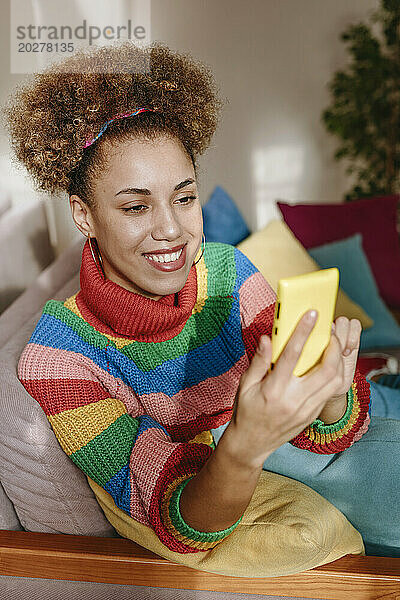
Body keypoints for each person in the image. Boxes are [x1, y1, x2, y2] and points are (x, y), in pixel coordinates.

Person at [5, 41, 400, 576]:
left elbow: (333, 426)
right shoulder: (59, 359)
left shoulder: (228, 272)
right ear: (85, 215)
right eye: (135, 206)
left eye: (185, 197)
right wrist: (245, 444)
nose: (171, 229)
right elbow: (177, 522)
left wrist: (331, 389)